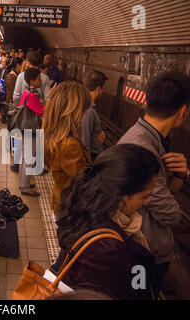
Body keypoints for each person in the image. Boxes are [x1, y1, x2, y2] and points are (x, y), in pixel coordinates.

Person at [55, 144, 160, 300]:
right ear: (122, 198)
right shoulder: (107, 249)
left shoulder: (86, 209)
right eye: (144, 196)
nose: (148, 201)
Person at [118, 71, 190, 295]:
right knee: (139, 294)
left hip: (142, 246)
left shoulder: (145, 138)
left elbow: (158, 194)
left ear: (147, 101)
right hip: (142, 250)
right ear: (182, 112)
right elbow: (169, 213)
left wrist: (178, 174)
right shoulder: (144, 149)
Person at [43, 81, 92, 218]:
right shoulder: (69, 145)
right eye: (84, 110)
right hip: (71, 208)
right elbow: (83, 180)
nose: (85, 113)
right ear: (73, 112)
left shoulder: (54, 136)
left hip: (60, 200)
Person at [19, 68, 45, 197]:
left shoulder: (26, 92)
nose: (40, 81)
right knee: (29, 157)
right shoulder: (33, 95)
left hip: (25, 127)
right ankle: (25, 187)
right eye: (38, 79)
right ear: (32, 81)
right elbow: (41, 111)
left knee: (24, 157)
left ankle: (23, 182)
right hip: (31, 129)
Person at [81, 70, 108, 161]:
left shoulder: (85, 105)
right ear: (98, 89)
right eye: (102, 88)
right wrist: (87, 166)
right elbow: (85, 143)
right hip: (91, 156)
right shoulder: (89, 111)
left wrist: (98, 131)